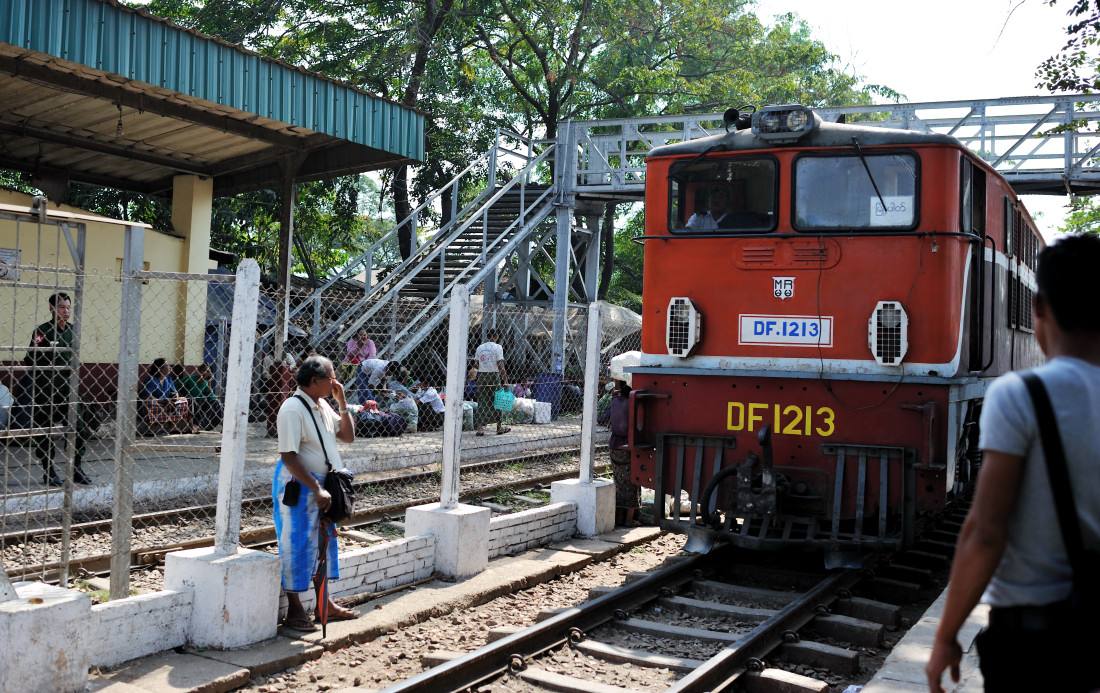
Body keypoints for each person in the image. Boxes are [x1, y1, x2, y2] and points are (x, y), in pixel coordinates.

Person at [926, 234, 1100, 693]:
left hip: (1034, 641)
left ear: (1039, 309)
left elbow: (986, 530)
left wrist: (946, 636)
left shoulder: (1020, 395)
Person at [273, 355, 357, 632]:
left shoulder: (321, 406)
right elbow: (288, 456)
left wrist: (341, 403)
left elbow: (347, 436)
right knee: (295, 544)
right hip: (301, 487)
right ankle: (295, 611)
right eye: (330, 377)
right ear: (314, 381)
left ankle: (324, 604)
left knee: (324, 545)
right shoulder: (292, 409)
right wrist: (316, 488)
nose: (335, 382)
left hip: (323, 488)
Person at [24, 292, 92, 486]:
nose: (66, 311)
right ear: (52, 308)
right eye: (62, 307)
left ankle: (76, 468)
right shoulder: (42, 331)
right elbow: (30, 358)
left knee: (79, 428)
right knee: (46, 431)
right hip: (46, 389)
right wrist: (48, 363)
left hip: (68, 390)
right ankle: (49, 471)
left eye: (68, 307)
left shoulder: (72, 330)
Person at [474, 329, 510, 436]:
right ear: (496, 336)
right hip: (494, 375)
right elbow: (500, 365)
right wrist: (505, 381)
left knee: (482, 401)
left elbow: (476, 365)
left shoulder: (480, 347)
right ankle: (499, 427)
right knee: (498, 400)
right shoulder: (498, 347)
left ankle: (480, 428)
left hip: (481, 375)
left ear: (488, 336)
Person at [175, 364, 221, 431]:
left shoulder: (205, 382)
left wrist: (209, 382)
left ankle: (210, 426)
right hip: (191, 401)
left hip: (201, 401)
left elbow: (210, 395)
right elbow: (176, 385)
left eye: (209, 372)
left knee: (216, 403)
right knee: (195, 400)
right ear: (199, 371)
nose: (208, 373)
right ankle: (196, 425)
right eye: (206, 371)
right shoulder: (190, 379)